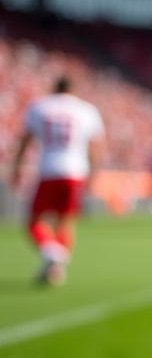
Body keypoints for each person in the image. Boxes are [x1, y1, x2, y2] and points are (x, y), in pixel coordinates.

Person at [9, 75, 104, 285]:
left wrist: (16, 168)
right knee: (65, 221)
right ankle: (56, 262)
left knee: (34, 222)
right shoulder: (86, 109)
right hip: (76, 172)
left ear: (54, 88)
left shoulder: (40, 107)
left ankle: (53, 257)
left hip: (49, 169)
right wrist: (94, 175)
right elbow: (96, 148)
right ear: (73, 89)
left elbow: (25, 140)